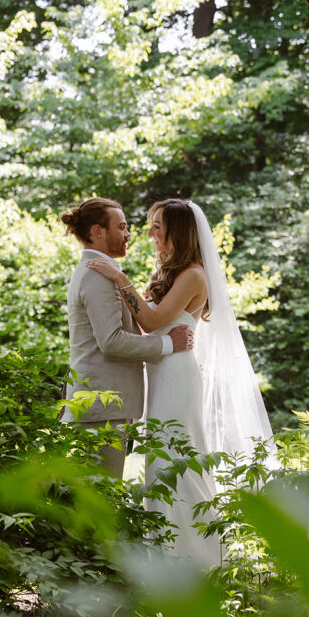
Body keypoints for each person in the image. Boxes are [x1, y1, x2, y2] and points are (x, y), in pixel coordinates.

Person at [87, 199, 274, 569]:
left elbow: (153, 322)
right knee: (160, 461)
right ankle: (163, 553)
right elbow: (147, 324)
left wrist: (120, 279)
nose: (151, 232)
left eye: (158, 225)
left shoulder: (194, 274)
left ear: (179, 230)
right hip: (162, 371)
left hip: (176, 377)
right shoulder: (170, 272)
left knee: (178, 458)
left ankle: (197, 558)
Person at [59, 197, 193, 479]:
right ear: (98, 231)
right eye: (121, 227)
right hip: (100, 407)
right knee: (100, 501)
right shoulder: (97, 274)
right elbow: (112, 341)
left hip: (106, 406)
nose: (129, 234)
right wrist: (170, 343)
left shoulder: (102, 270)